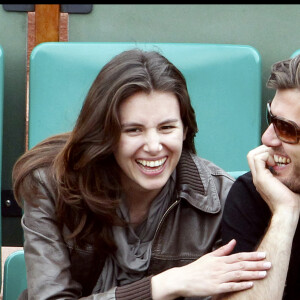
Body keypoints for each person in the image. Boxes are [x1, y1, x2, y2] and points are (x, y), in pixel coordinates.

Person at [13, 48, 270, 300]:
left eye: (166, 127)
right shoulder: (49, 182)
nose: (154, 146)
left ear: (185, 129)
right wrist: (164, 285)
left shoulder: (222, 198)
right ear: (105, 134)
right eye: (133, 130)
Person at [221, 54, 300, 300]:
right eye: (271, 119)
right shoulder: (253, 193)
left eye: (286, 128)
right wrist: (285, 213)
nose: (267, 138)